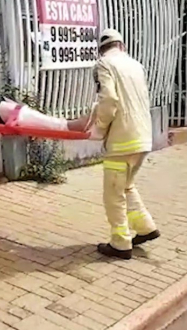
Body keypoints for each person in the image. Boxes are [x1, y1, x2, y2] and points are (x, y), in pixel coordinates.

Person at [71, 29, 161, 260]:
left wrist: (99, 127)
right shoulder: (136, 65)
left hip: (122, 141)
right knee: (126, 186)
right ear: (122, 45)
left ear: (101, 49)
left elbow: (109, 100)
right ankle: (145, 227)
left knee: (113, 194)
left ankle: (120, 244)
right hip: (143, 139)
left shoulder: (104, 64)